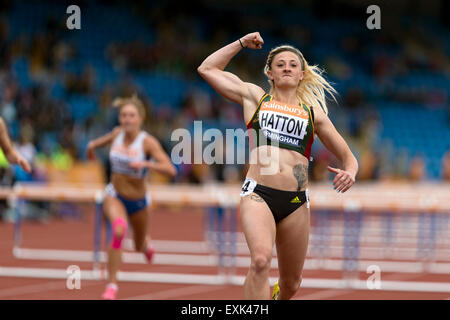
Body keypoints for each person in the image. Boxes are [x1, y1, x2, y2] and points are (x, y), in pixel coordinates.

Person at [198, 32, 358, 300]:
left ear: (301, 75)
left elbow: (347, 154)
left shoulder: (312, 114)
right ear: (269, 73)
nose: (287, 67)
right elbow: (207, 68)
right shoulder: (255, 98)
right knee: (260, 261)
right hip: (258, 193)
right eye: (280, 64)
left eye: (293, 64)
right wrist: (240, 43)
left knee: (291, 284)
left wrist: (350, 171)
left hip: (295, 201)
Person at [86, 94, 177, 300]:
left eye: (131, 115)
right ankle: (112, 285)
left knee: (137, 244)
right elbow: (96, 144)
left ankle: (145, 244)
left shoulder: (147, 143)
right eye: (123, 115)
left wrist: (147, 164)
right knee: (119, 229)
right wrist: (90, 149)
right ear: (119, 118)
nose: (127, 119)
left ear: (140, 119)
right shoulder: (116, 134)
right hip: (115, 195)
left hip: (138, 202)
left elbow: (170, 170)